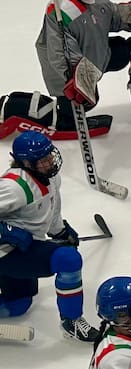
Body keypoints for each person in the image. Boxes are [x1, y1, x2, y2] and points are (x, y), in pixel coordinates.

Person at [0, 130, 98, 341]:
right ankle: (72, 321)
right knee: (68, 260)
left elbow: (51, 210)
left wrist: (60, 231)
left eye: (49, 155)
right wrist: (5, 231)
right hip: (5, 251)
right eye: (43, 160)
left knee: (18, 305)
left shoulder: (50, 178)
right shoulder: (15, 187)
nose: (50, 162)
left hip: (22, 248)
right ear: (25, 162)